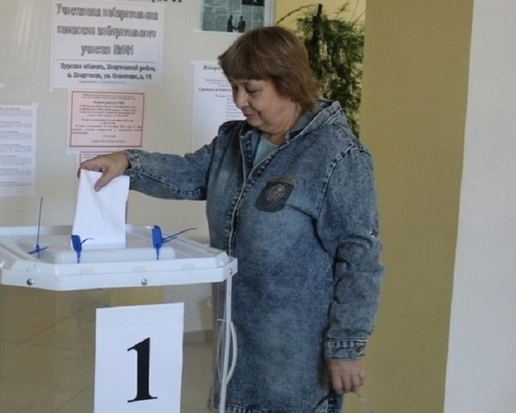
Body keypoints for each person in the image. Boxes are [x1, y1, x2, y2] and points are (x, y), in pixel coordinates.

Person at [79, 26, 383, 413]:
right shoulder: (237, 140)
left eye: (251, 90)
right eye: (234, 88)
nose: (240, 101)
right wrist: (127, 162)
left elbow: (360, 258)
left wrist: (346, 347)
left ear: (289, 84)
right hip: (235, 341)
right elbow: (191, 174)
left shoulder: (338, 156)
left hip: (294, 358)